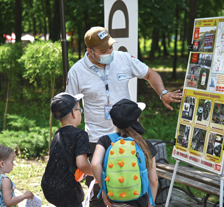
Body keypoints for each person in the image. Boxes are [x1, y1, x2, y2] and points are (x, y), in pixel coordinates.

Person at [66, 26, 181, 207]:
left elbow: (150, 74)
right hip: (98, 140)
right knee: (101, 194)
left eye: (111, 47)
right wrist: (73, 140)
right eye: (103, 50)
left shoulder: (124, 59)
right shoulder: (76, 71)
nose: (109, 52)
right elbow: (71, 106)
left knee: (133, 186)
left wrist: (163, 93)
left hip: (129, 136)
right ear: (90, 51)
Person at [91, 99, 158, 207]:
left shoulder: (105, 140)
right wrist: (151, 204)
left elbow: (94, 164)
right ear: (136, 119)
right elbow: (153, 180)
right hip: (140, 201)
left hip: (114, 200)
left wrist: (104, 189)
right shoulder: (144, 144)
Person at [41, 92, 93, 207]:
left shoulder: (57, 134)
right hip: (67, 190)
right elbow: (82, 164)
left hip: (49, 186)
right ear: (74, 113)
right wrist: (97, 173)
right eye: (80, 110)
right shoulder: (80, 135)